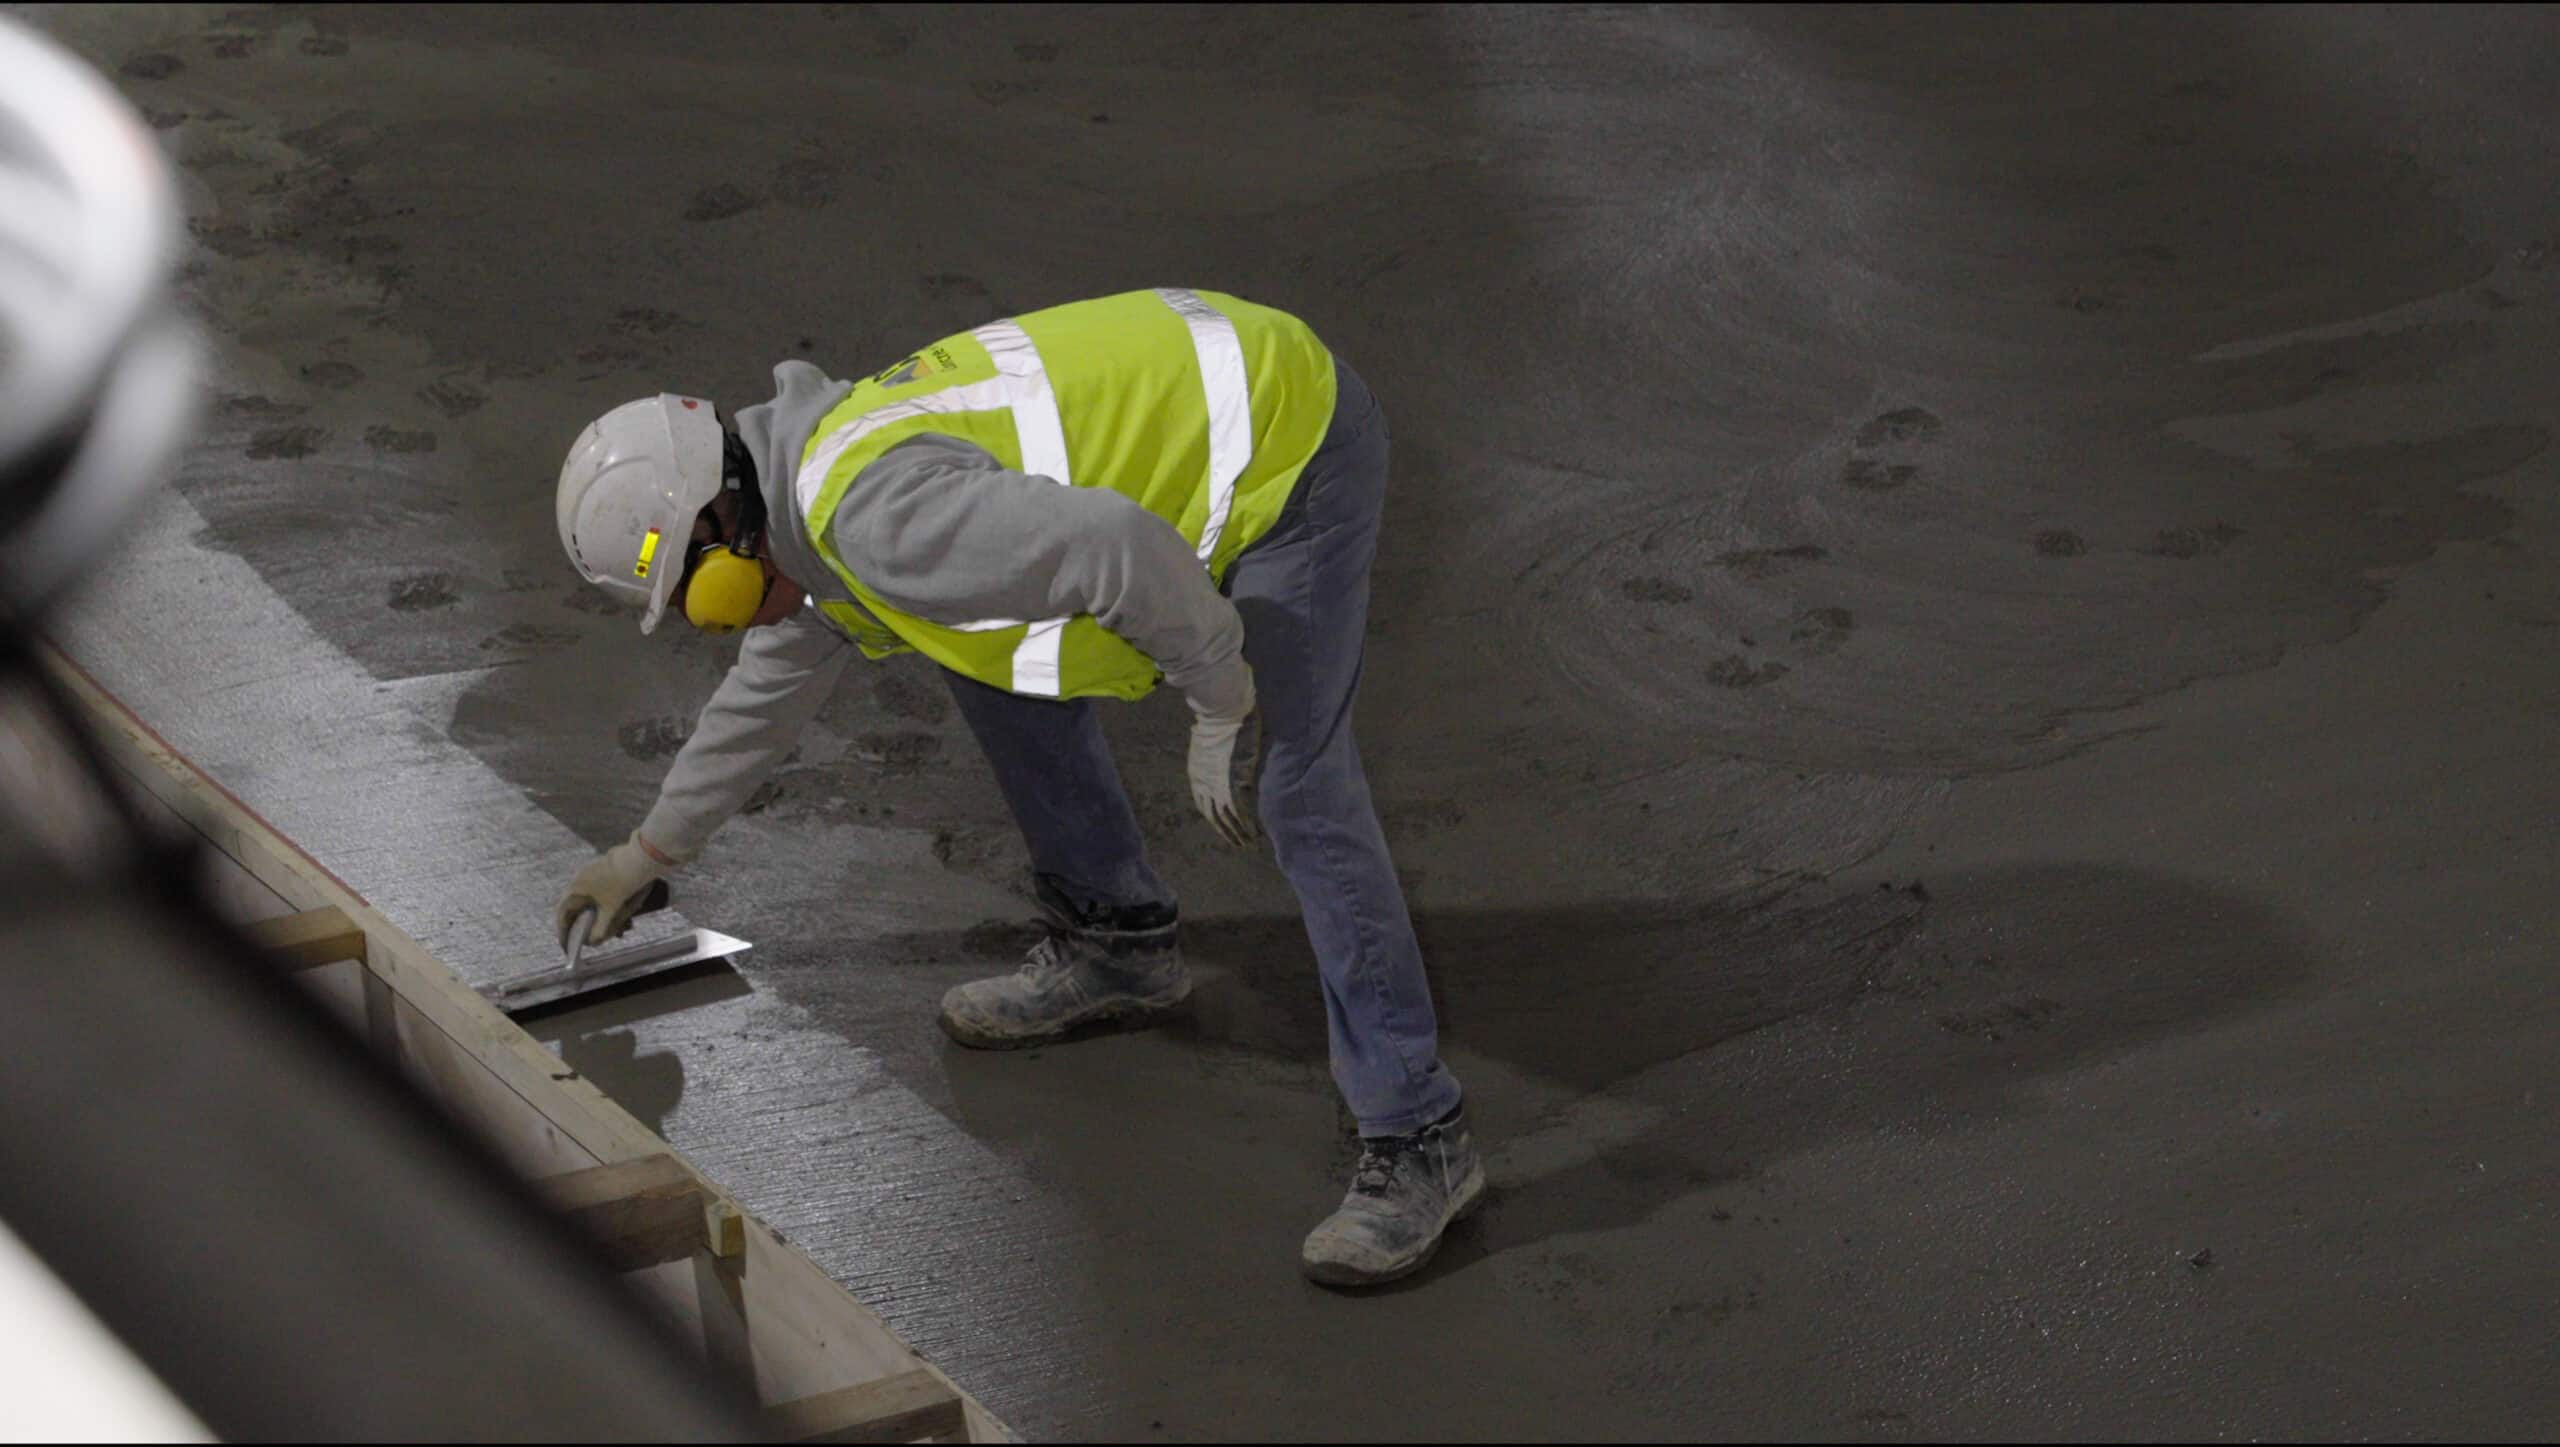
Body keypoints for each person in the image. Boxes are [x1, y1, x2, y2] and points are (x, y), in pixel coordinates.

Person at [552, 289, 1477, 1286]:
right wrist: (646, 854)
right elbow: (767, 695)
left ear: (722, 518)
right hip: (1191, 413)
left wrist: (1218, 698)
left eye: (706, 599)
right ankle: (1119, 942)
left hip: (1285, 437)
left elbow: (1120, 549)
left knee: (1297, 782)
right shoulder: (799, 505)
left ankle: (1419, 1130)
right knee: (978, 646)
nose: (724, 624)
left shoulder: (879, 521)